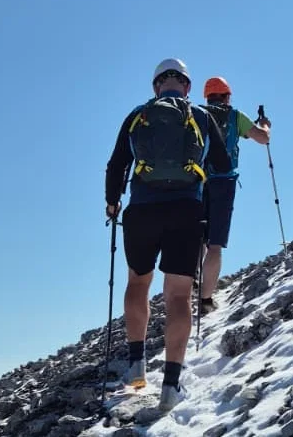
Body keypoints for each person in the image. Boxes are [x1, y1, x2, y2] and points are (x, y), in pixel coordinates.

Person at [104, 58, 232, 411]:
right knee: (177, 296)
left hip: (142, 211)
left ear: (156, 86)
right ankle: (171, 386)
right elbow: (221, 165)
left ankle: (135, 366)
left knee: (137, 283)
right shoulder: (202, 117)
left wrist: (112, 203)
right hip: (186, 212)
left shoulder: (136, 116)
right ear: (188, 87)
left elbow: (116, 165)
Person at [196, 76, 271, 314]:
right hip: (224, 182)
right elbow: (263, 138)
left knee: (197, 237)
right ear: (227, 96)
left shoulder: (196, 114)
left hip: (195, 181)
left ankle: (193, 279)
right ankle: (206, 300)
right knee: (215, 244)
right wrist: (265, 124)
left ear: (207, 96)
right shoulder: (235, 116)